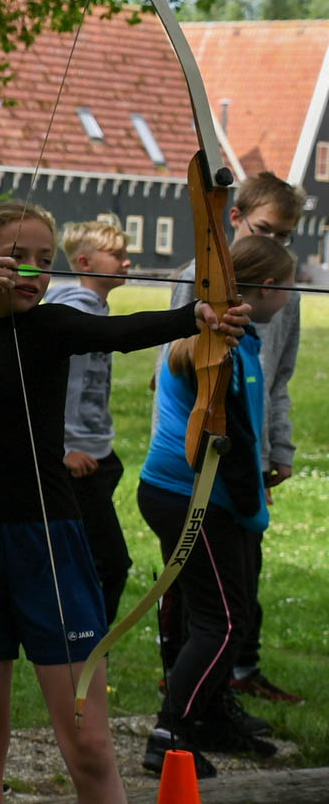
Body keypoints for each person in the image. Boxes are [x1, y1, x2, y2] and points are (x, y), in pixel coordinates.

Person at [0, 202, 249, 804]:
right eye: (16, 257)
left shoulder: (53, 326)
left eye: (45, 260)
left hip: (46, 544)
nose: (34, 272)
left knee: (88, 748)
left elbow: (120, 332)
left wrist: (197, 316)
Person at [139, 235, 294, 778]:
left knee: (228, 613)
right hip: (192, 495)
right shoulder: (215, 348)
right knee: (223, 622)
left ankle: (207, 717)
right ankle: (170, 733)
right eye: (288, 287)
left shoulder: (240, 340)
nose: (291, 297)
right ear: (266, 289)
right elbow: (231, 441)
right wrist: (252, 510)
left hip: (208, 496)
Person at [154, 172, 306, 706]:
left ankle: (230, 680)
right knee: (202, 588)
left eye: (285, 235)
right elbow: (176, 360)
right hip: (200, 461)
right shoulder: (197, 278)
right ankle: (182, 685)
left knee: (241, 579)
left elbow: (276, 379)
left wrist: (277, 451)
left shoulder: (284, 289)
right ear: (235, 217)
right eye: (266, 229)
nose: (276, 242)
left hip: (245, 455)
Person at [42, 219, 133, 624]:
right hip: (74, 460)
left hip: (97, 454)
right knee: (108, 564)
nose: (127, 261)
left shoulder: (95, 310)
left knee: (91, 561)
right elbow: (48, 389)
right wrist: (62, 450)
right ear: (84, 262)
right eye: (117, 255)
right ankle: (87, 642)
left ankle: (84, 640)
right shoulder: (74, 314)